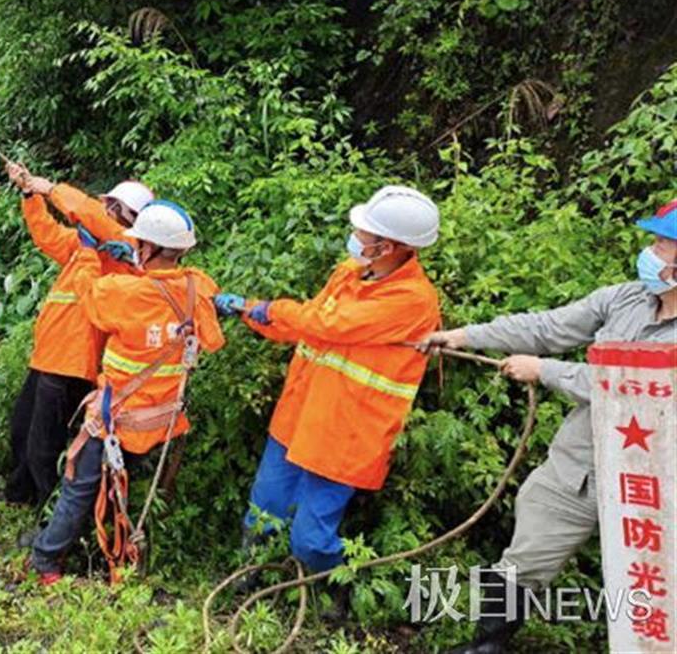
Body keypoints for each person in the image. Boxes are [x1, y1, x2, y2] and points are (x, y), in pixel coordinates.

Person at [422, 198, 677, 654]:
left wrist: (546, 371)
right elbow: (547, 327)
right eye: (656, 239)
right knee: (523, 560)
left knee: (661, 585)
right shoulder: (626, 298)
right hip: (580, 469)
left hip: (659, 487)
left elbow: (625, 383)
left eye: (664, 243)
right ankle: (487, 646)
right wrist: (464, 335)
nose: (652, 251)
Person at [217, 185, 442, 573]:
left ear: (387, 246)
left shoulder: (412, 300)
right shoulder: (351, 273)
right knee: (264, 508)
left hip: (347, 434)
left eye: (364, 234)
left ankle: (332, 590)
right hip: (299, 415)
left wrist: (268, 308)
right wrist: (251, 313)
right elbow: (307, 326)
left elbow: (325, 324)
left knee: (310, 538)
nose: (355, 238)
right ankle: (250, 578)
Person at [30, 200, 225, 583]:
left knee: (79, 487)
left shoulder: (126, 293)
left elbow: (89, 297)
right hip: (160, 420)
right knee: (120, 485)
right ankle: (111, 553)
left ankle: (46, 560)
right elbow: (213, 339)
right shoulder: (196, 289)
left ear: (148, 248)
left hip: (115, 419)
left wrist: (88, 254)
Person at [2, 165, 153, 507]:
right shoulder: (87, 245)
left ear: (129, 219)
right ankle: (18, 495)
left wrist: (50, 187)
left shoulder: (126, 252)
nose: (106, 210)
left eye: (114, 207)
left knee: (45, 444)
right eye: (107, 204)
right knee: (23, 430)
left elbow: (89, 214)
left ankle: (47, 512)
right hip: (48, 355)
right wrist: (30, 196)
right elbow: (46, 234)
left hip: (72, 362)